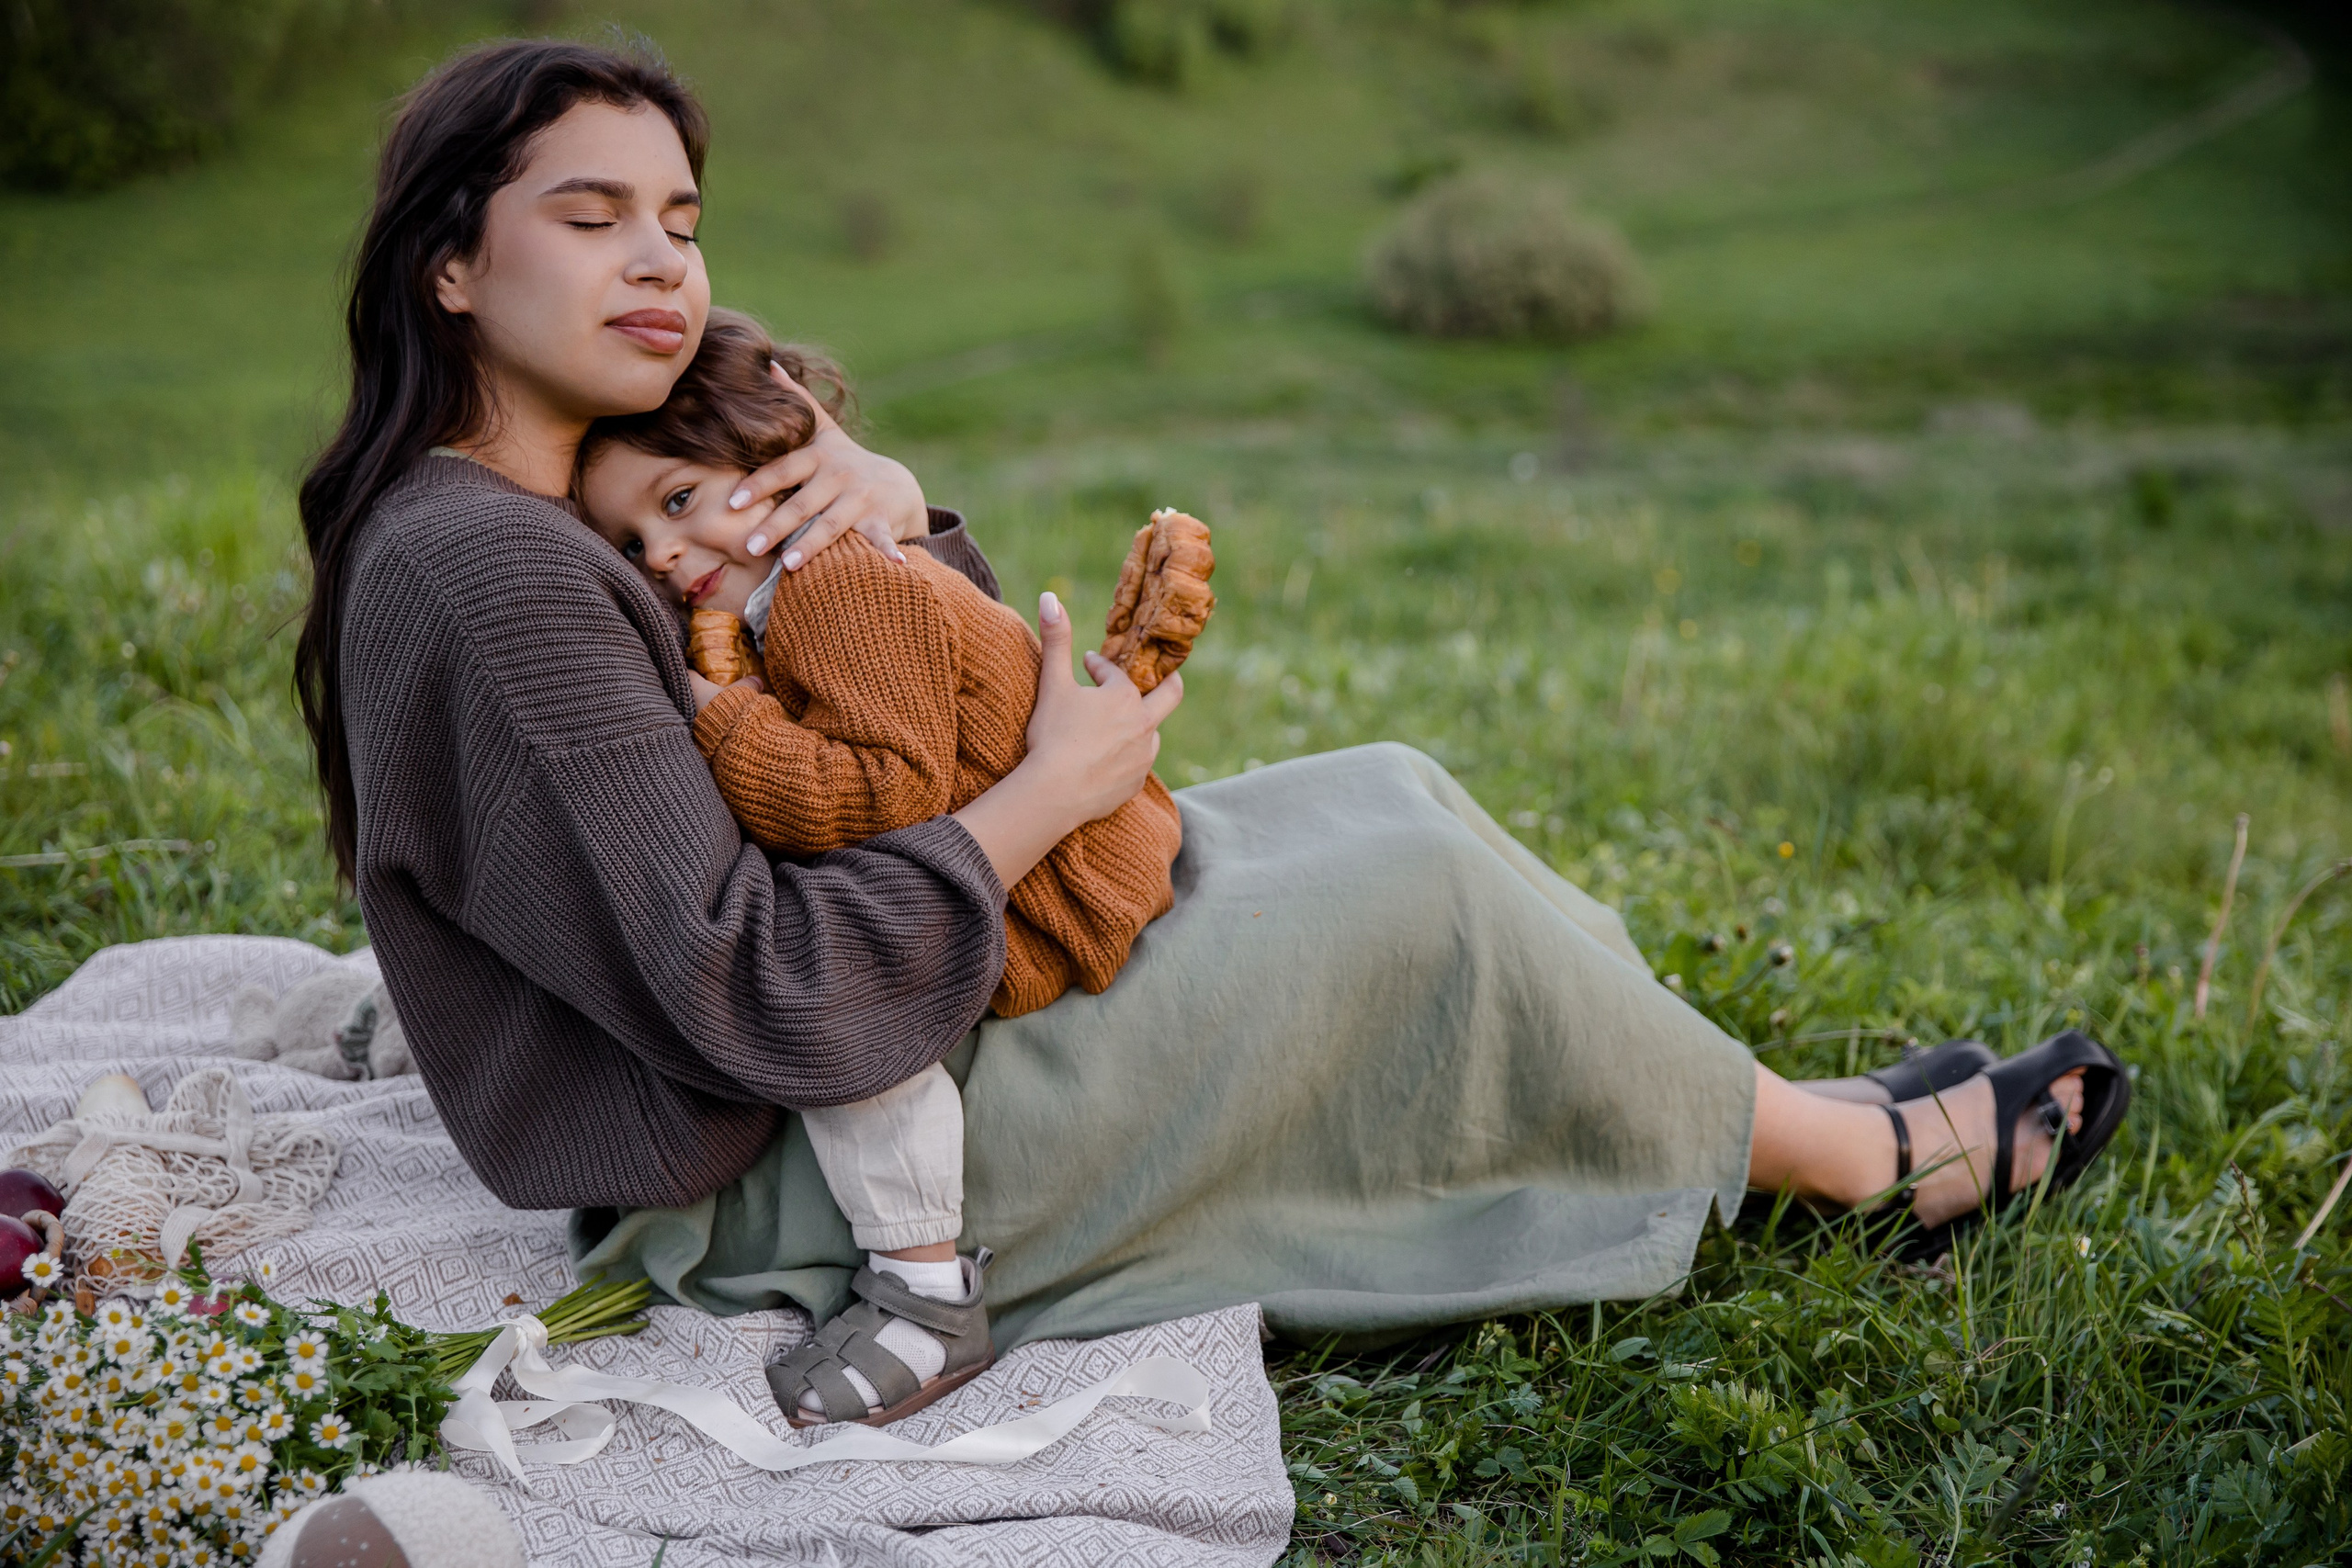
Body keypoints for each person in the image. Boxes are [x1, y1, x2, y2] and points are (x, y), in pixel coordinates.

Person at [296, 38, 2130, 1430]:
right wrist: (1047, 800)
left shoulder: (570, 501)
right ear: (451, 267)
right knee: (1410, 895)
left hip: (868, 1015)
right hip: (775, 1166)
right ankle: (1865, 1171)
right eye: (589, 216)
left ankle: (1757, 1116)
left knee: (1377, 791)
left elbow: (888, 715)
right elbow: (755, 986)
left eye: (682, 221)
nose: (661, 266)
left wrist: (888, 518)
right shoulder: (493, 576)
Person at [571, 307, 1190, 1422]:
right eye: (628, 544)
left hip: (1050, 901)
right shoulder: (785, 591)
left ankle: (924, 1295)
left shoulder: (837, 585)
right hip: (1016, 852)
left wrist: (716, 722)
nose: (660, 556)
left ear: (783, 463)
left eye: (677, 502)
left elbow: (874, 797)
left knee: (843, 998)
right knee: (826, 925)